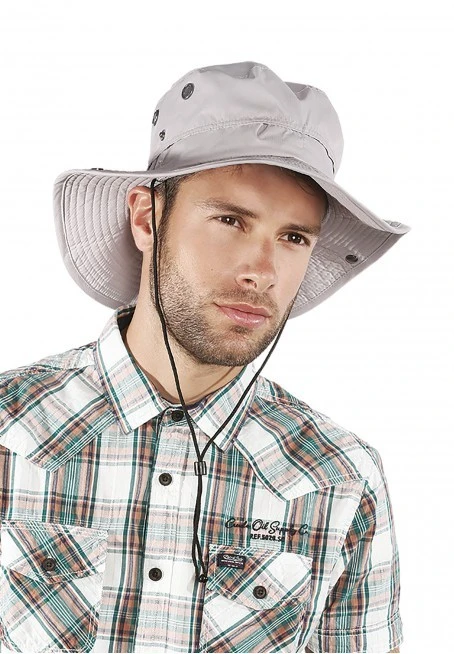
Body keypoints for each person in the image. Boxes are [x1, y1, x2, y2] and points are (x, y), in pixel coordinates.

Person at [0, 61, 409, 653]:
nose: (262, 272)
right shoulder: (7, 429)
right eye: (230, 220)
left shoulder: (340, 479)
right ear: (147, 218)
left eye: (293, 237)